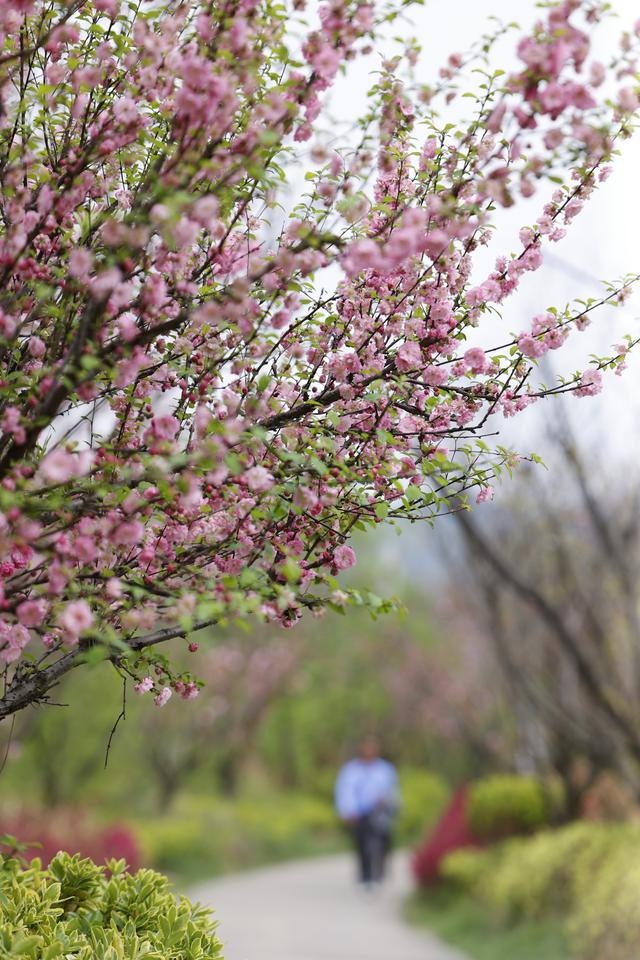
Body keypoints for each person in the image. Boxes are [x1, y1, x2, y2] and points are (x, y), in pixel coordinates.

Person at [334, 735, 399, 887]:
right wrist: (348, 811)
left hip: (381, 812)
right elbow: (345, 791)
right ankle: (366, 877)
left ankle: (380, 872)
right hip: (360, 813)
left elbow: (393, 790)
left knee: (383, 841)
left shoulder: (385, 769)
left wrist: (390, 804)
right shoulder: (351, 770)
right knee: (362, 845)